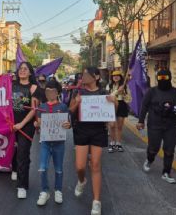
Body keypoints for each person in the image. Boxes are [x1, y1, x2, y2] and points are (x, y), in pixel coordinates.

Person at [69, 67, 117, 215]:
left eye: (86, 74)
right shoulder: (78, 92)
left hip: (98, 131)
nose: (83, 77)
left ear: (96, 77)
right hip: (81, 130)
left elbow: (113, 111)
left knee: (95, 165)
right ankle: (82, 181)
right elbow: (70, 110)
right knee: (80, 167)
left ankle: (96, 201)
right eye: (83, 74)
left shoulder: (104, 93)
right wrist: (76, 103)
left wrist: (114, 102)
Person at [137, 69, 176, 184]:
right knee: (153, 148)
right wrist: (140, 121)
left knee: (169, 150)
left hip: (172, 125)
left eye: (165, 78)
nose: (162, 80)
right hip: (154, 124)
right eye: (160, 78)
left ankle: (166, 172)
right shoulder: (151, 92)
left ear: (170, 78)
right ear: (157, 79)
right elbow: (144, 106)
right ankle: (149, 159)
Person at [34, 80, 71, 205]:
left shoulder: (63, 107)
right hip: (45, 142)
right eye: (48, 91)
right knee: (42, 168)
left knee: (59, 169)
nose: (50, 93)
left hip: (59, 143)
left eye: (53, 91)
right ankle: (45, 191)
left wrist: (67, 125)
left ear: (58, 92)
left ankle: (58, 190)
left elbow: (68, 124)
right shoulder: (42, 106)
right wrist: (37, 124)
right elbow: (38, 122)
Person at [11, 61, 40, 199]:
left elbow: (34, 110)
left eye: (25, 69)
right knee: (13, 149)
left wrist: (21, 124)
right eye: (20, 68)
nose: (22, 70)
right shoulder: (11, 86)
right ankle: (14, 168)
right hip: (11, 123)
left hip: (26, 125)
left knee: (23, 152)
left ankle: (22, 185)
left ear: (30, 72)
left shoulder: (34, 88)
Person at [107, 70, 129, 153]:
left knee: (119, 126)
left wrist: (124, 94)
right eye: (114, 76)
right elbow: (108, 97)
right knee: (112, 126)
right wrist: (117, 91)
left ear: (120, 77)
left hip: (122, 105)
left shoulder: (125, 86)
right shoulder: (109, 86)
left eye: (117, 75)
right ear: (112, 77)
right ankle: (112, 143)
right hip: (110, 105)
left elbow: (129, 99)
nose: (116, 77)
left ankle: (118, 143)